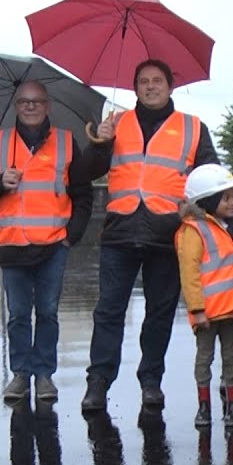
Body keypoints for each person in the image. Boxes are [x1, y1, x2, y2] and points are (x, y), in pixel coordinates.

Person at [80, 59, 220, 412]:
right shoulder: (115, 123)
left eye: (158, 80)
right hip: (120, 230)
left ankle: (151, 382)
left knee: (159, 313)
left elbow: (210, 177)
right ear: (135, 87)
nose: (150, 86)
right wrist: (99, 144)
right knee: (108, 311)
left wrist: (195, 211)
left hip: (167, 232)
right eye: (143, 81)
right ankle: (97, 383)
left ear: (170, 86)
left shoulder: (192, 127)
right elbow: (86, 172)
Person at [0, 82, 96, 403]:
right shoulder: (0, 143)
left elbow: (83, 193)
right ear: (16, 106)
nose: (31, 107)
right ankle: (20, 374)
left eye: (37, 101)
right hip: (13, 244)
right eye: (24, 102)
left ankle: (44, 375)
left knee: (48, 312)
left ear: (48, 106)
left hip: (54, 244)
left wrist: (72, 235)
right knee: (17, 314)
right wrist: (1, 182)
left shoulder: (67, 143)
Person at [176, 164, 233, 429]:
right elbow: (189, 272)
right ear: (208, 200)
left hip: (232, 310)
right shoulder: (194, 230)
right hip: (207, 311)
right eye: (225, 198)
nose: (232, 203)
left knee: (231, 359)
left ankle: (232, 408)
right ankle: (203, 407)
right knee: (204, 358)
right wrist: (196, 309)